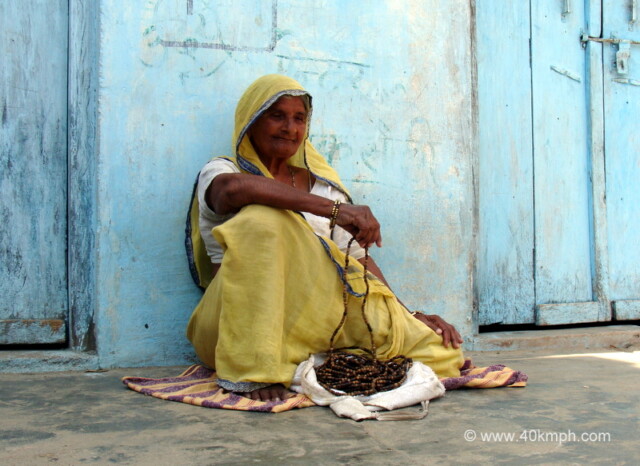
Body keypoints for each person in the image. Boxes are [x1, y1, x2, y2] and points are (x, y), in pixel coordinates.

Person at [186, 74, 464, 402]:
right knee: (265, 218)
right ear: (251, 121)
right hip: (230, 326)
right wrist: (335, 212)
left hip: (313, 321)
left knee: (442, 354)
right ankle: (253, 367)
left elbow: (357, 261)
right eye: (277, 116)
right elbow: (232, 191)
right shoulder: (222, 171)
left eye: (299, 118)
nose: (290, 128)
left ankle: (305, 365)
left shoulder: (322, 186)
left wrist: (405, 313)